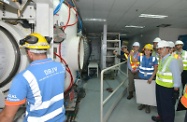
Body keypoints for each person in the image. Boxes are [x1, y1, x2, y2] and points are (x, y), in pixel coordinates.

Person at [0, 33, 66, 122]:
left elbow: (7, 116)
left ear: (29, 53)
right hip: (60, 119)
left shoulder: (23, 78)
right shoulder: (61, 67)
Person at [152, 41, 181, 122]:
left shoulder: (172, 60)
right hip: (159, 85)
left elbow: (177, 76)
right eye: (158, 49)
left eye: (160, 49)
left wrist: (176, 89)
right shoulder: (162, 59)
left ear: (167, 49)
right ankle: (161, 117)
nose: (158, 51)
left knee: (168, 107)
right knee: (160, 104)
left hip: (167, 88)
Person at [130, 44, 158, 113]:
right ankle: (142, 104)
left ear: (151, 51)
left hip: (149, 79)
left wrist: (151, 78)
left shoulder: (154, 59)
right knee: (142, 92)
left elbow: (155, 70)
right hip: (141, 77)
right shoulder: (141, 57)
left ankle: (148, 106)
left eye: (148, 50)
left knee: (148, 93)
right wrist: (131, 55)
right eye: (145, 50)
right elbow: (134, 61)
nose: (146, 51)